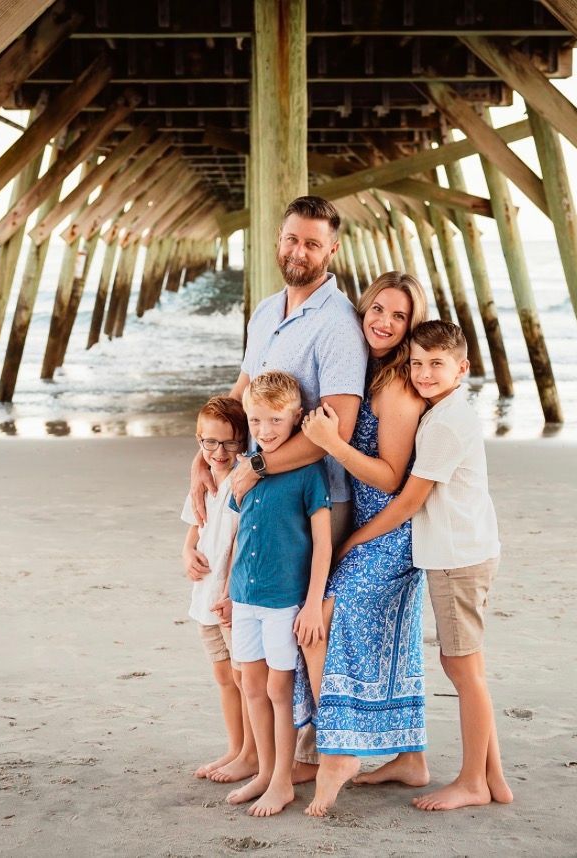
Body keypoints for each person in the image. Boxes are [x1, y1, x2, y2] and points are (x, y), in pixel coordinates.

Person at [189, 195, 367, 782]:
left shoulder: (338, 324)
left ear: (332, 250)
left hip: (311, 500)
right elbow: (242, 401)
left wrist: (258, 469)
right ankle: (252, 754)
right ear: (278, 238)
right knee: (241, 616)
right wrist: (205, 458)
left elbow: (333, 426)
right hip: (254, 490)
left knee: (294, 631)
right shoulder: (266, 310)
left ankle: (299, 761)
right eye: (292, 238)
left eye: (313, 243)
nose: (299, 251)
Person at [333, 321, 514, 812]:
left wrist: (355, 539)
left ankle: (473, 783)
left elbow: (409, 500)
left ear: (463, 367)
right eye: (416, 363)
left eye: (437, 364)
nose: (424, 373)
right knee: (467, 666)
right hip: (463, 551)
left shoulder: (445, 425)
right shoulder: (445, 412)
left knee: (461, 668)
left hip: (459, 558)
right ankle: (492, 778)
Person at [294, 273, 433, 817]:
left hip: (390, 531)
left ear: (410, 325)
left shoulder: (397, 388)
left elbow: (392, 478)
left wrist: (330, 443)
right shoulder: (368, 368)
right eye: (378, 309)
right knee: (373, 640)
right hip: (364, 525)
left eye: (399, 317)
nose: (384, 322)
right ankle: (410, 758)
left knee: (320, 625)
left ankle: (340, 752)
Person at [223, 371, 333, 817]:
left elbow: (322, 543)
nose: (265, 431)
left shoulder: (308, 472)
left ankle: (284, 780)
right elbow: (238, 535)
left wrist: (311, 603)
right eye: (255, 421)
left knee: (278, 688)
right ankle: (265, 773)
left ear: (295, 418)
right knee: (250, 683)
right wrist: (228, 589)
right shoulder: (246, 468)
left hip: (284, 600)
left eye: (275, 420)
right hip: (244, 595)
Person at [178, 396, 256, 782]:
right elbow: (197, 525)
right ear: (199, 441)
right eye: (210, 442)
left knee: (245, 677)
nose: (219, 451)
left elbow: (244, 541)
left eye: (229, 442)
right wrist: (186, 550)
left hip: (231, 599)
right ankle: (234, 747)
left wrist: (231, 593)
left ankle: (250, 753)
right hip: (204, 598)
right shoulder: (204, 482)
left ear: (243, 442)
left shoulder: (243, 483)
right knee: (224, 677)